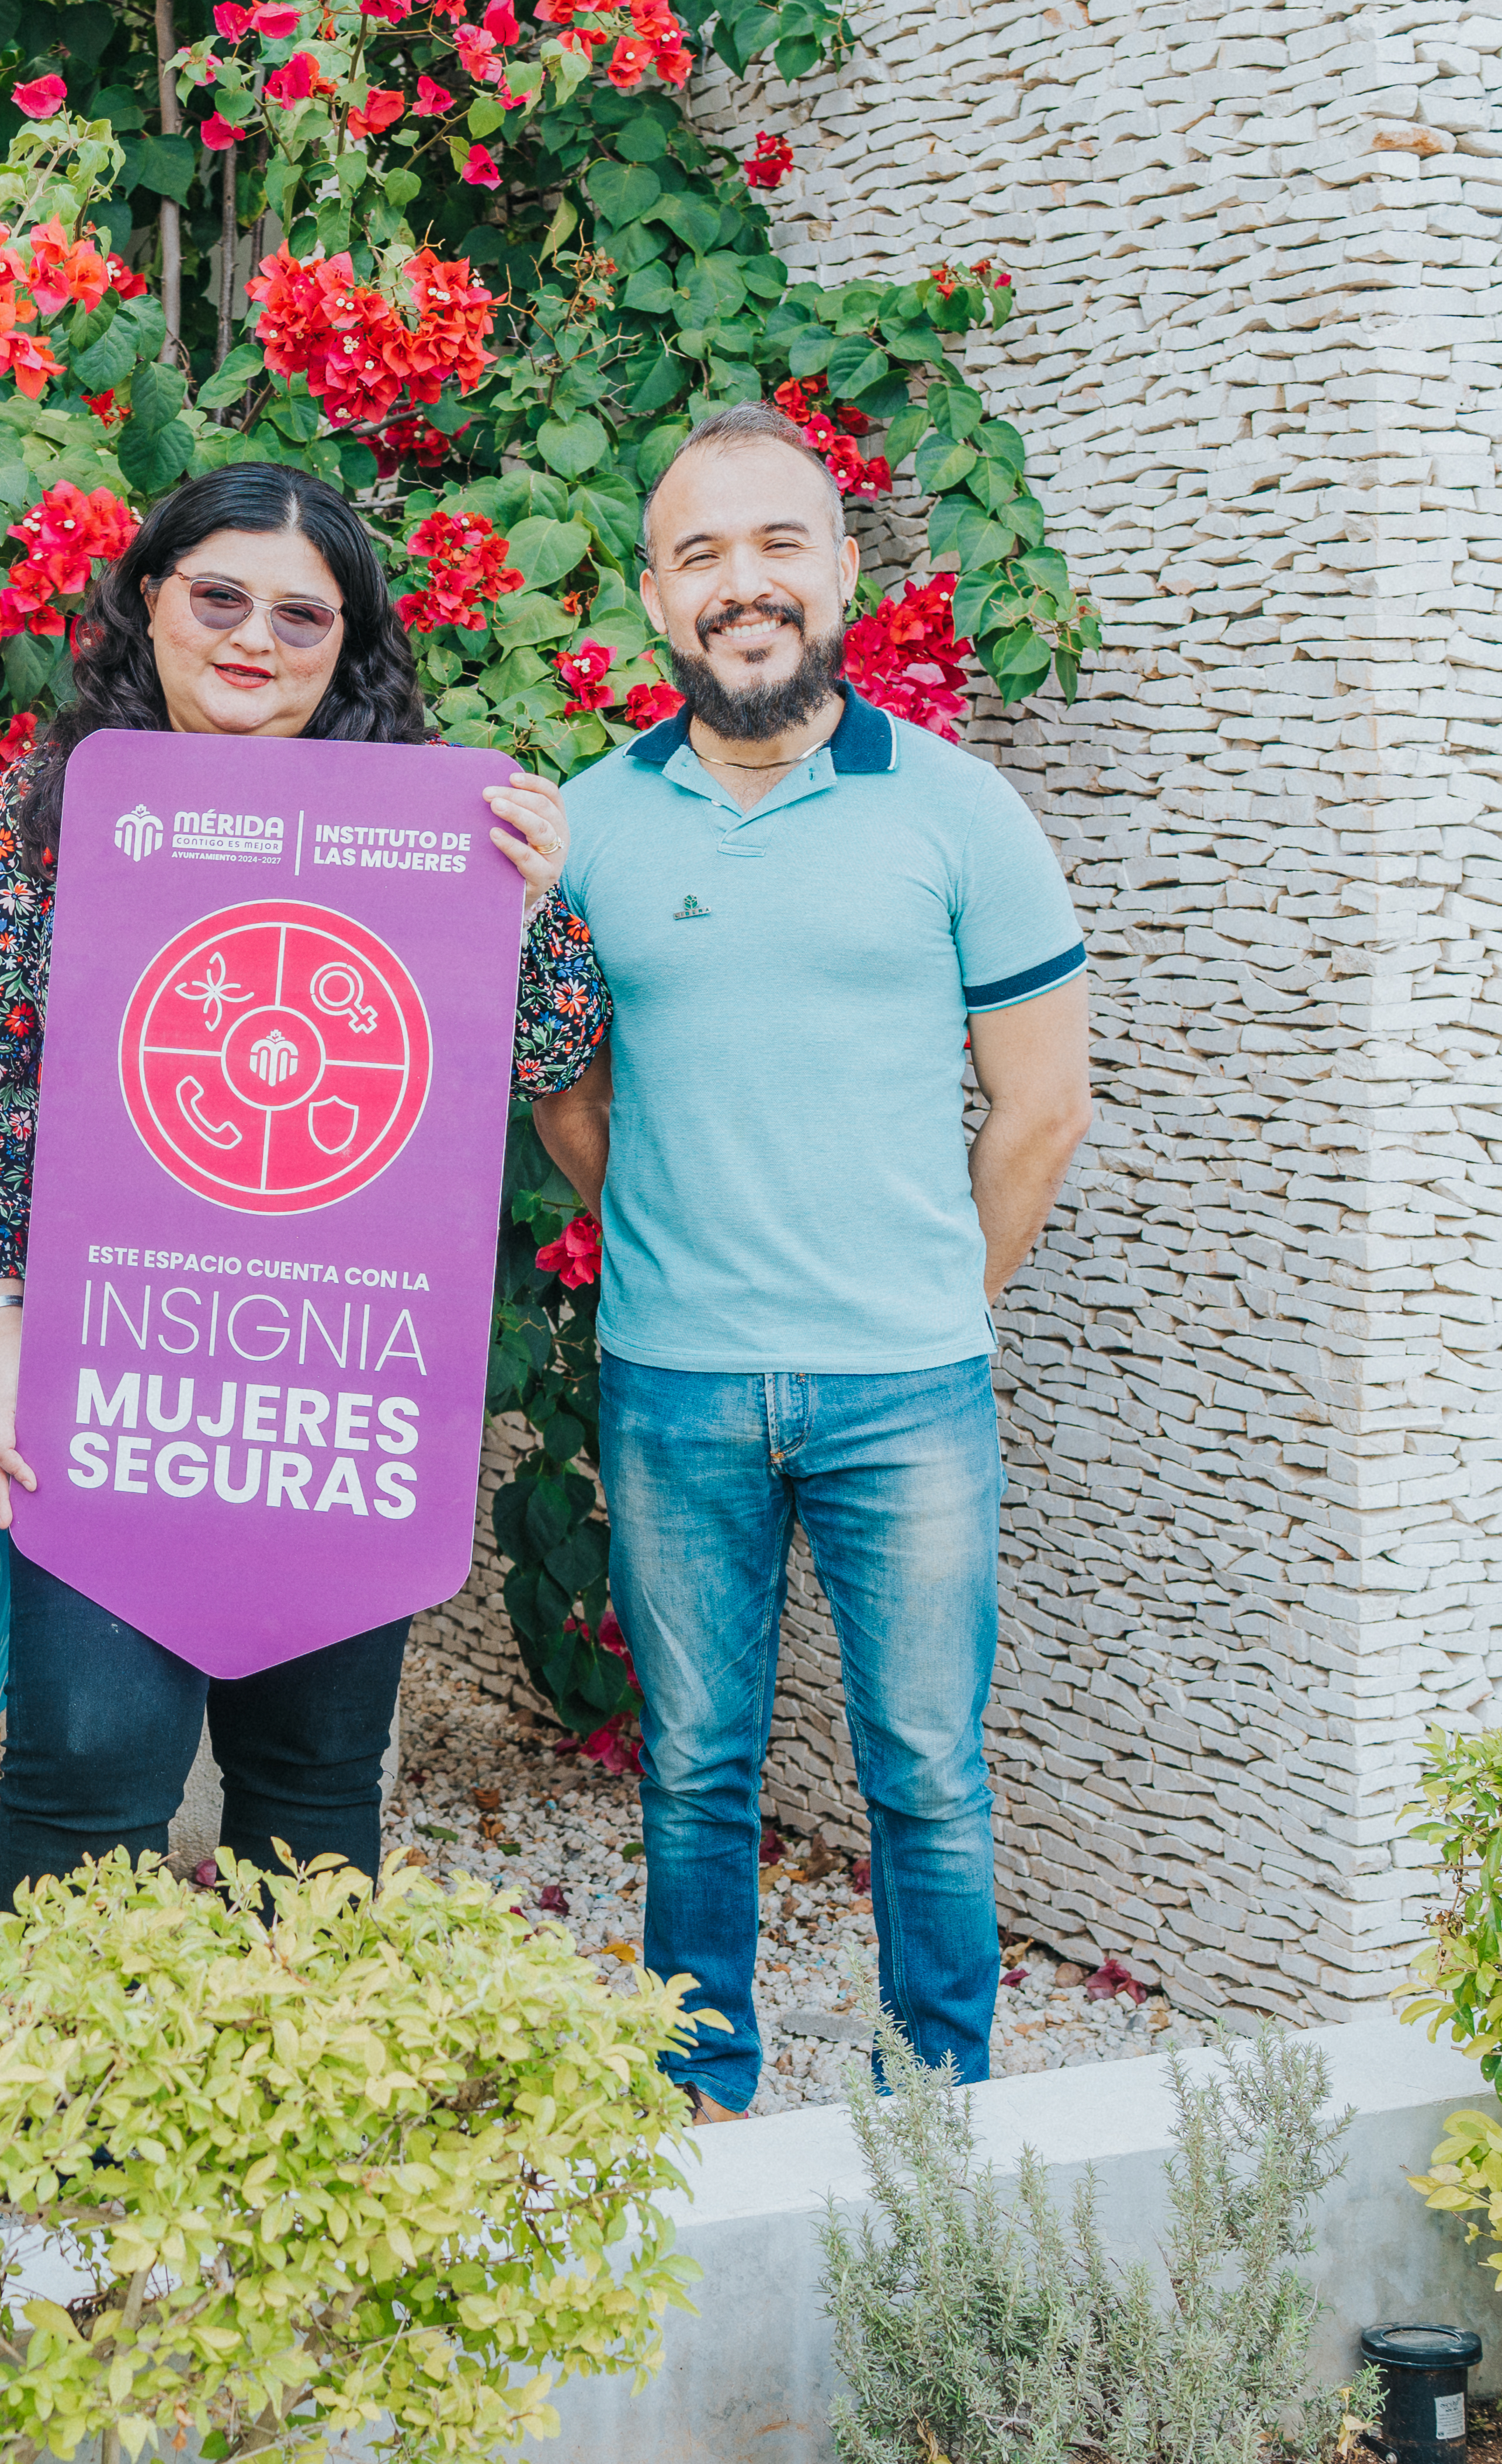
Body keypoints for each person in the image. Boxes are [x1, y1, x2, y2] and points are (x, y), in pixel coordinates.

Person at [0, 459, 607, 1900]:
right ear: (148, 603)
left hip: (333, 1388)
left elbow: (550, 1047)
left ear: (350, 643)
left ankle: (283, 2124)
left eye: (304, 615)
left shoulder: (434, 829)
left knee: (312, 1779)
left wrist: (528, 908)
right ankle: (60, 2124)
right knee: (87, 1767)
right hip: (116, 1380)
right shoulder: (41, 818)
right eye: (220, 596)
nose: (256, 639)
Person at [529, 398, 1095, 2119]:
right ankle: (700, 2096)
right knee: (693, 1774)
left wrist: (927, 1299)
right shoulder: (584, 826)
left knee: (927, 1772)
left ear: (845, 573)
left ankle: (947, 2099)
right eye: (701, 554)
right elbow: (571, 1097)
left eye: (779, 543)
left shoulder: (962, 812)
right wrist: (697, 1240)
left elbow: (1043, 1107)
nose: (743, 583)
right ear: (653, 601)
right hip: (672, 1380)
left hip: (907, 1386)